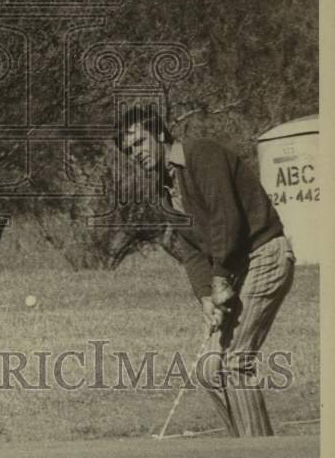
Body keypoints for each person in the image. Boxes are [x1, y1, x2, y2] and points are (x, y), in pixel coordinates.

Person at [115, 104, 295, 437]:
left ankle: (257, 456)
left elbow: (227, 218)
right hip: (233, 270)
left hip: (264, 255)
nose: (135, 154)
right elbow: (192, 249)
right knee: (209, 370)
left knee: (235, 363)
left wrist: (220, 278)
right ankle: (242, 446)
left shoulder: (202, 154)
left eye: (139, 143)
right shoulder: (163, 189)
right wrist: (204, 296)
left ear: (159, 134)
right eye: (129, 150)